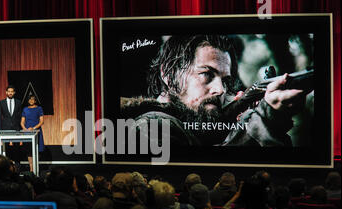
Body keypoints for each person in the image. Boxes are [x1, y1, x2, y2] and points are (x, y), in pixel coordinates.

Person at [122, 35, 310, 147]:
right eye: (206, 74)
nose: (220, 90)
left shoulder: (196, 122)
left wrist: (244, 118)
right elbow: (205, 180)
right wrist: (267, 116)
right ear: (168, 75)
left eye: (225, 80)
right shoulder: (152, 127)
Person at [0, 85, 23, 163]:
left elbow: (20, 116)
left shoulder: (18, 102)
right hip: (5, 128)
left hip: (16, 128)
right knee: (7, 149)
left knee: (17, 149)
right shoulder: (1, 102)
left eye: (12, 91)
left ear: (14, 92)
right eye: (9, 91)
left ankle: (17, 168)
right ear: (6, 92)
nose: (10, 93)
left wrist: (20, 129)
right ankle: (8, 167)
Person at [21, 95, 45, 173]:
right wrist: (25, 129)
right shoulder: (25, 109)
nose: (31, 101)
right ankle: (31, 168)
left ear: (35, 101)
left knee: (37, 149)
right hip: (27, 132)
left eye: (33, 100)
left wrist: (34, 128)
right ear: (28, 101)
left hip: (36, 131)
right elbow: (22, 122)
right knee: (29, 150)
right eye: (30, 100)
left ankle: (36, 166)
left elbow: (42, 121)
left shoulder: (39, 108)